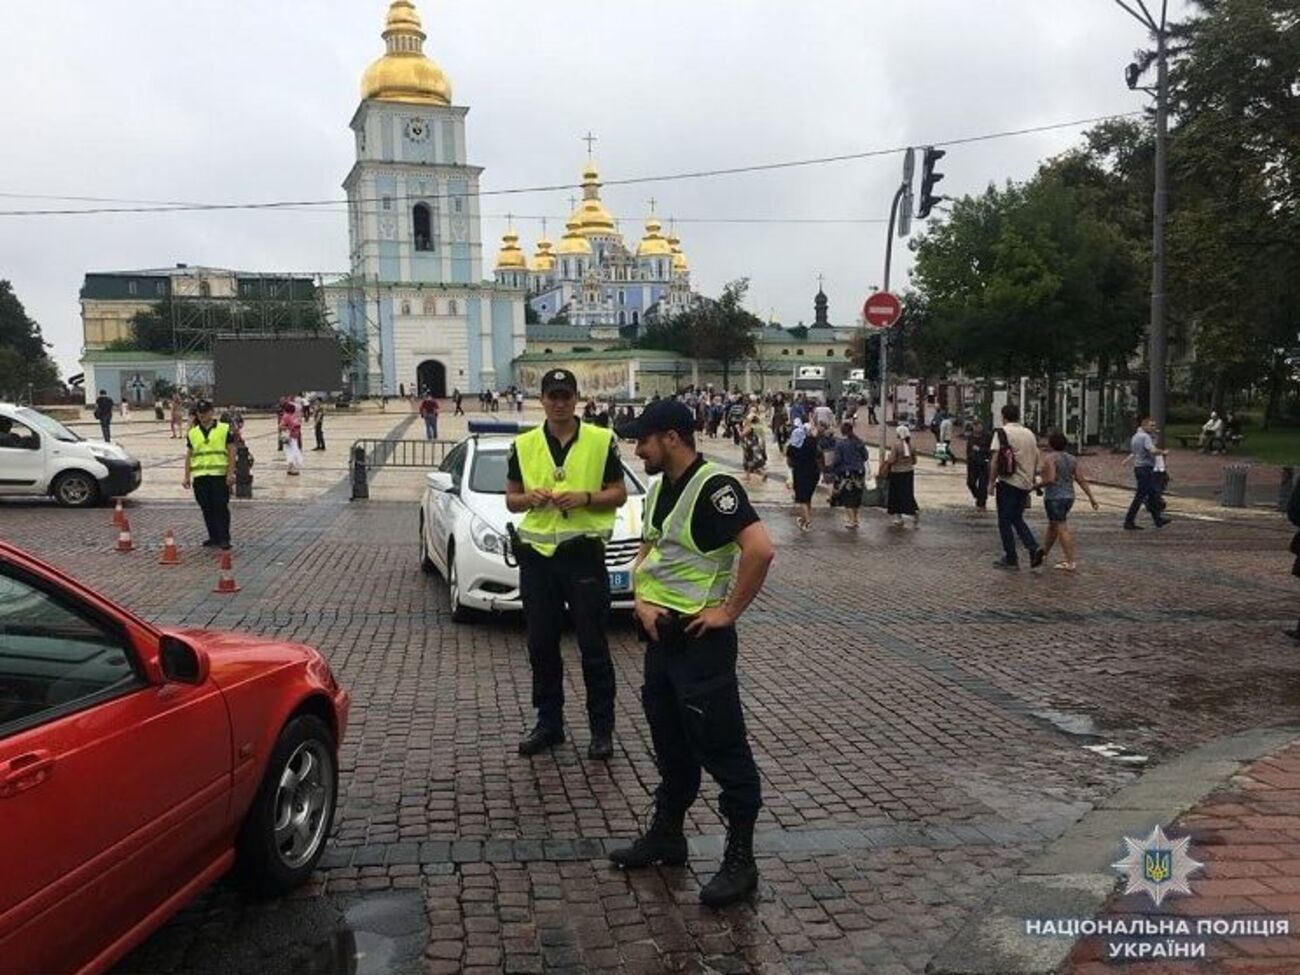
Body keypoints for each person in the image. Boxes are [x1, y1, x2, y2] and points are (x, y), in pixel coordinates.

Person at [609, 399, 774, 909]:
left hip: (702, 644)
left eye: (644, 440)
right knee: (671, 744)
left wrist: (728, 612)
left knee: (723, 749)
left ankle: (740, 860)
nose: (638, 451)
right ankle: (668, 836)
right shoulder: (660, 489)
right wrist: (639, 599)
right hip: (662, 642)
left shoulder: (716, 489)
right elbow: (650, 550)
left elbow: (761, 549)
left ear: (673, 438)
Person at [506, 369, 628, 761]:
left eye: (565, 396)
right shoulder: (523, 444)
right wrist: (530, 499)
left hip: (583, 556)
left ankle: (601, 728)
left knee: (593, 645)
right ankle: (549, 723)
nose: (559, 403)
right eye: (552, 396)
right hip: (538, 559)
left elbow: (620, 493)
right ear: (540, 400)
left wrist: (586, 498)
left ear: (576, 398)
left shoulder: (600, 439)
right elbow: (511, 498)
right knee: (541, 645)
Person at [1038, 431, 1099, 571]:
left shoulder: (1050, 458)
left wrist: (1036, 486)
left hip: (1054, 497)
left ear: (1051, 444)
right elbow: (1080, 479)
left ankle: (1070, 560)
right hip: (1068, 496)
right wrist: (1091, 497)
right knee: (1053, 526)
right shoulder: (1072, 459)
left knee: (1061, 527)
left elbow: (1051, 478)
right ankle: (1044, 554)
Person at [991, 403, 1042, 569]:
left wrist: (991, 482)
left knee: (1004, 521)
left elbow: (995, 459)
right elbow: (1036, 457)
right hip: (1025, 483)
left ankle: (1011, 557)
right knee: (1017, 518)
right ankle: (1033, 548)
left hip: (1008, 481)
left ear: (1003, 416)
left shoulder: (1002, 433)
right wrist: (1033, 479)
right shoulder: (1029, 434)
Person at [182, 400, 235, 550]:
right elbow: (189, 455)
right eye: (200, 412)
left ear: (212, 412)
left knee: (220, 507)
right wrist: (187, 476)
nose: (202, 415)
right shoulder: (193, 432)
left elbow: (232, 451)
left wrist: (230, 472)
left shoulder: (224, 429)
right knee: (206, 507)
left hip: (219, 475)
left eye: (205, 412)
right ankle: (213, 537)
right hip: (200, 476)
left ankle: (224, 538)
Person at [1123, 416, 1171, 531]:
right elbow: (1152, 450)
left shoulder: (1136, 436)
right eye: (1151, 425)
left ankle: (1157, 519)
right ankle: (1129, 521)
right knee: (1141, 496)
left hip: (1140, 468)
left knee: (1152, 494)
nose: (1154, 427)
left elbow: (1135, 452)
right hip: (1145, 469)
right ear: (1144, 426)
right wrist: (1163, 452)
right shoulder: (1145, 437)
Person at [879, 424, 920, 527]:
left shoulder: (896, 445)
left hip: (896, 472)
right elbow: (915, 460)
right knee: (907, 493)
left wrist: (887, 461)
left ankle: (898, 517)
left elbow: (892, 460)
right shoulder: (912, 445)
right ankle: (913, 511)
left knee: (896, 495)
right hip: (909, 472)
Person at [830, 421, 868, 529]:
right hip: (859, 472)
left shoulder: (840, 444)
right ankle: (855, 519)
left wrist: (831, 468)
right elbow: (865, 456)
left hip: (846, 474)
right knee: (856, 496)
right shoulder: (859, 442)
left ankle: (851, 520)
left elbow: (837, 459)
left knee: (847, 497)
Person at [785, 419, 819, 532]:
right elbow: (815, 435)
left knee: (802, 498)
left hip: (800, 473)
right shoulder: (811, 442)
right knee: (808, 497)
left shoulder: (792, 447)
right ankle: (804, 519)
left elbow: (789, 462)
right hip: (814, 473)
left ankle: (808, 521)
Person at [966, 419, 991, 509]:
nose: (977, 427)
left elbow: (991, 450)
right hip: (972, 463)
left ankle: (982, 501)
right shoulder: (971, 437)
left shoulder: (987, 436)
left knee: (983, 484)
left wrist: (980, 450)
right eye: (975, 425)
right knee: (970, 482)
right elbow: (968, 449)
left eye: (978, 425)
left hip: (983, 462)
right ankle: (978, 496)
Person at [740, 410, 767, 483]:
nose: (745, 420)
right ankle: (747, 475)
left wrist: (738, 430)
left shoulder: (749, 427)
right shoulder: (755, 426)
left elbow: (742, 435)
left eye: (747, 419)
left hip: (750, 446)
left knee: (751, 461)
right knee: (750, 461)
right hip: (753, 445)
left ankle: (763, 473)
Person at [280, 402, 303, 475]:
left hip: (294, 437)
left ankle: (290, 469)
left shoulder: (293, 416)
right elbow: (280, 426)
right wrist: (289, 428)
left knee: (294, 453)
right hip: (289, 438)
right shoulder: (286, 416)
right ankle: (291, 469)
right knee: (291, 453)